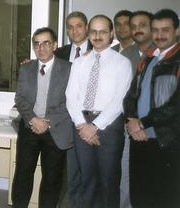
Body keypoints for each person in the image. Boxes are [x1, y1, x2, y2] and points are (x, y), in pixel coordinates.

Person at [66, 15, 132, 208]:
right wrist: (81, 125)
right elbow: (71, 96)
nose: (97, 35)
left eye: (102, 31)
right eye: (93, 31)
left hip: (109, 127)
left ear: (111, 34)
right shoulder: (79, 63)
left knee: (108, 182)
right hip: (81, 123)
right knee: (87, 180)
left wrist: (94, 126)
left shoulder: (122, 63)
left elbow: (119, 100)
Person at [124, 9, 180, 208]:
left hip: (166, 141)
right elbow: (131, 95)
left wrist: (142, 123)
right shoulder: (148, 58)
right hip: (140, 138)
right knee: (139, 195)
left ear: (177, 30)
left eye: (165, 30)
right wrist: (131, 121)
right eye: (155, 30)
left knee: (164, 198)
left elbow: (175, 106)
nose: (159, 35)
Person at [12, 27, 72, 208]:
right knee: (22, 174)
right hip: (29, 127)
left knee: (52, 179)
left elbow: (71, 102)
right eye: (37, 44)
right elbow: (20, 98)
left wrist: (47, 122)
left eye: (46, 43)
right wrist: (33, 119)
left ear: (54, 45)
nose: (41, 48)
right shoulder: (26, 68)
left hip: (56, 130)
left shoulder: (69, 69)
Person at [55, 11, 91, 208]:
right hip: (63, 119)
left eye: (78, 26)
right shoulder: (60, 52)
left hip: (87, 119)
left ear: (86, 28)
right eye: (70, 26)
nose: (74, 30)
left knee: (86, 168)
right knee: (68, 170)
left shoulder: (98, 51)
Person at [119, 10, 153, 208]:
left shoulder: (163, 53)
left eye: (142, 25)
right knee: (125, 174)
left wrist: (143, 122)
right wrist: (131, 120)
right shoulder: (125, 55)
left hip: (155, 128)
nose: (137, 29)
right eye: (134, 26)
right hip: (128, 127)